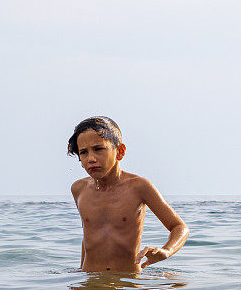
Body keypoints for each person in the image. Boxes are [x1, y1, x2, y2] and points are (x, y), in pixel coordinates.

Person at [68, 116, 189, 272]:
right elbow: (89, 236)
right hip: (89, 283)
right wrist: (80, 274)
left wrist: (166, 251)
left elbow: (180, 227)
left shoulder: (138, 187)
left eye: (98, 149)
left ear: (120, 151)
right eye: (83, 152)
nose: (91, 159)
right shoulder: (78, 189)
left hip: (128, 283)